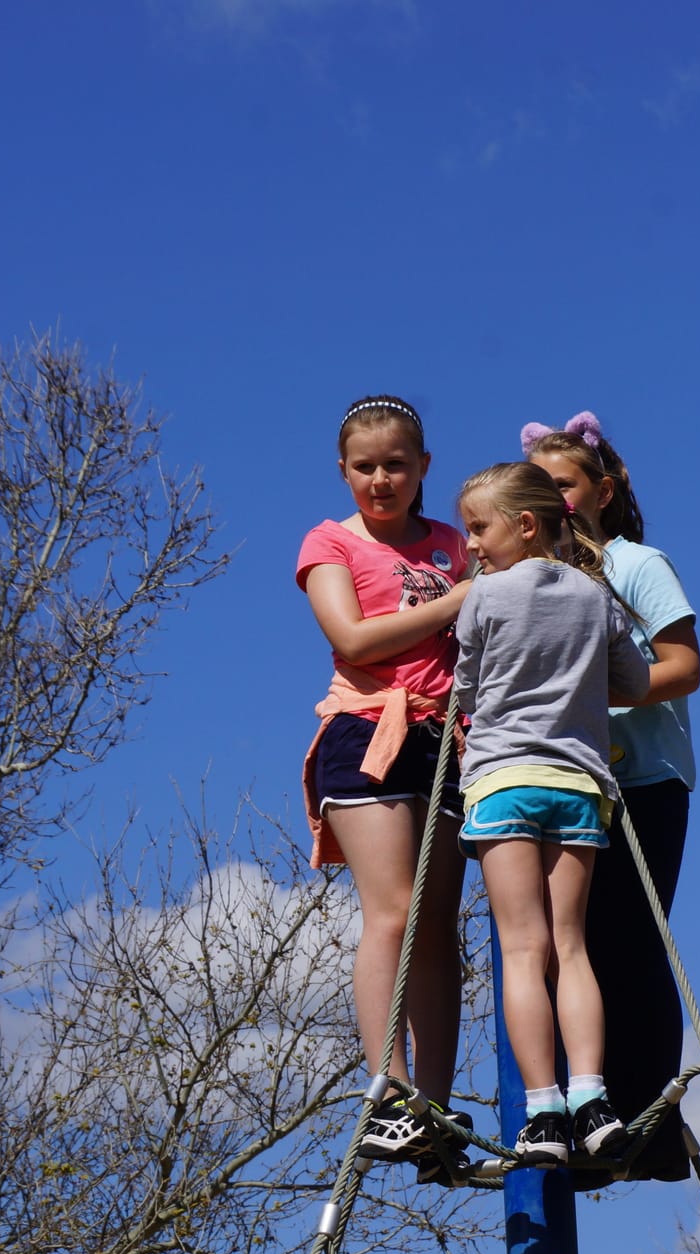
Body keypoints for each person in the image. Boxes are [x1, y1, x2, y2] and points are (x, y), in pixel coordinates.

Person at [453, 462, 652, 1165]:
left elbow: (468, 689)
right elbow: (634, 680)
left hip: (503, 782)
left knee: (521, 950)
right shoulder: (596, 597)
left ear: (525, 525)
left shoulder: (484, 596)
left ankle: (542, 1111)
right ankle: (592, 1096)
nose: (471, 544)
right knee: (571, 945)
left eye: (479, 528)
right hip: (577, 784)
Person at [525, 411, 700, 1182]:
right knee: (572, 949)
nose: (555, 500)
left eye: (565, 484)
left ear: (603, 487)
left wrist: (602, 693)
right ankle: (584, 1111)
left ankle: (651, 1118)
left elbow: (683, 664)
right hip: (569, 782)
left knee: (632, 940)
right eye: (540, 487)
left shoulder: (634, 563)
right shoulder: (531, 583)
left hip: (642, 777)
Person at [298, 394, 471, 1174]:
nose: (380, 479)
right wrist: (467, 597)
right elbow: (354, 637)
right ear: (343, 471)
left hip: (445, 739)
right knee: (394, 912)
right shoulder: (330, 541)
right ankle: (388, 1092)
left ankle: (433, 1107)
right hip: (369, 730)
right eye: (365, 467)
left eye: (396, 464)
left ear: (422, 468)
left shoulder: (453, 545)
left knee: (441, 928)